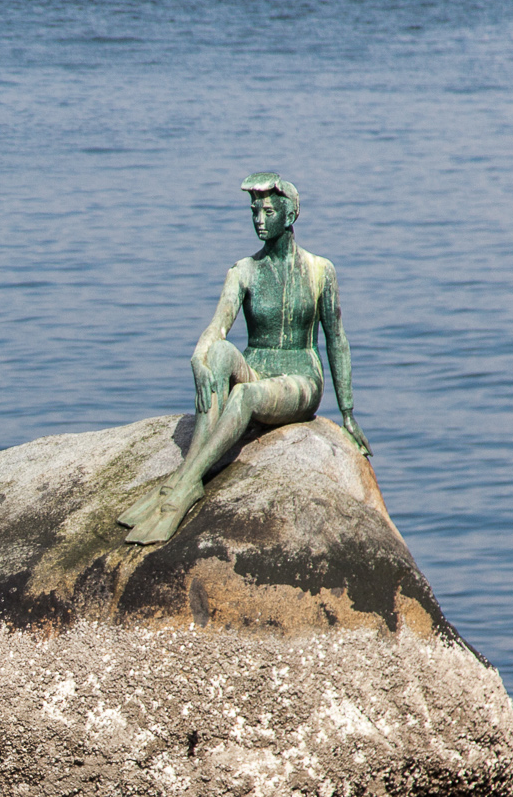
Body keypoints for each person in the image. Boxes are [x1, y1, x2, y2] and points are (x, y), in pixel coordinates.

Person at [118, 174, 367, 544]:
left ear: (290, 215)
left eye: (268, 212)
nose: (259, 220)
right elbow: (217, 327)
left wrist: (348, 413)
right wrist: (199, 357)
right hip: (256, 369)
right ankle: (189, 471)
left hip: (299, 379)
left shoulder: (320, 271)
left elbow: (337, 340)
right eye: (254, 212)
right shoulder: (244, 270)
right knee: (218, 354)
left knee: (243, 396)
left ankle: (186, 483)